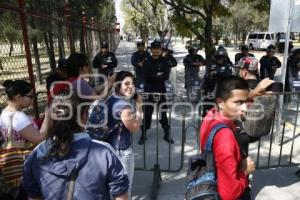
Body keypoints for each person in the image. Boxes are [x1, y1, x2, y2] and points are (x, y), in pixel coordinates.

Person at [22, 91, 129, 200]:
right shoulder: (104, 152)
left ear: (50, 117)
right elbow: (121, 195)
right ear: (85, 115)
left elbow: (34, 196)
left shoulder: (36, 155)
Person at [200, 76, 256, 200]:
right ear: (220, 102)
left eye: (246, 102)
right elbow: (229, 194)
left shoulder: (212, 115)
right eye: (238, 103)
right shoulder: (225, 137)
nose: (245, 108)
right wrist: (245, 171)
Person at [0, 80, 50, 198]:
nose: (33, 99)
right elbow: (39, 140)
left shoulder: (4, 113)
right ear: (18, 97)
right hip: (24, 167)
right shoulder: (18, 117)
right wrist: (48, 117)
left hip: (12, 168)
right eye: (30, 96)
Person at [105, 71, 143, 199]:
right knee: (125, 189)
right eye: (126, 83)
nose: (131, 86)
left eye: (133, 83)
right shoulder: (123, 107)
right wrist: (139, 105)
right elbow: (135, 127)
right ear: (117, 85)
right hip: (121, 152)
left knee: (112, 188)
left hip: (109, 149)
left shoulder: (110, 100)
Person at [138, 40, 174, 145]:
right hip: (149, 90)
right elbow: (146, 76)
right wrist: (158, 75)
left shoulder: (164, 61)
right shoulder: (147, 61)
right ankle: (143, 134)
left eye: (158, 48)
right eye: (154, 48)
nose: (156, 50)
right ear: (151, 50)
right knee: (147, 113)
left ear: (160, 49)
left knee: (163, 113)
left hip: (161, 90)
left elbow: (166, 75)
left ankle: (167, 133)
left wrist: (155, 75)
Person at [201, 47, 233, 117]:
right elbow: (206, 77)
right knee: (207, 108)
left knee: (223, 109)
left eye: (221, 58)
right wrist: (203, 88)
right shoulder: (211, 65)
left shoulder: (228, 65)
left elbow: (228, 74)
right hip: (211, 90)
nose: (220, 60)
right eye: (218, 58)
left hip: (223, 91)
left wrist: (217, 73)